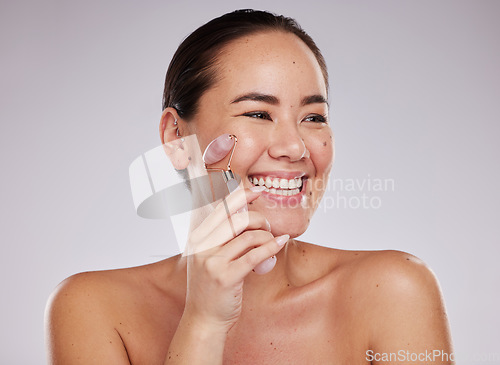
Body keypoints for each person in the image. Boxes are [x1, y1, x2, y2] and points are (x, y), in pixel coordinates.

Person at [45, 9, 454, 364]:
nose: (295, 147)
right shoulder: (92, 310)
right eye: (258, 113)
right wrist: (203, 324)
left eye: (314, 117)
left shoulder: (395, 291)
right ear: (175, 136)